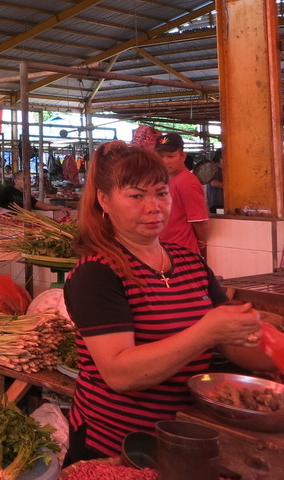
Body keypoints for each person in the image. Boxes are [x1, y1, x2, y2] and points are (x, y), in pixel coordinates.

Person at [62, 140, 272, 466]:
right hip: (120, 448)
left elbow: (233, 341)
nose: (154, 207)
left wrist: (272, 349)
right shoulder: (97, 272)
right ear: (104, 200)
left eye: (162, 193)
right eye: (136, 196)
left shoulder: (190, 262)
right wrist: (206, 332)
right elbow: (120, 373)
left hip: (190, 438)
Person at [154, 132, 208, 255]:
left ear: (183, 156)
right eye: (161, 156)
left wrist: (202, 243)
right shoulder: (164, 180)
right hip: (164, 248)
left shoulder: (187, 181)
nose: (165, 161)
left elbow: (198, 220)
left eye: (171, 156)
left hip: (182, 251)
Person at [0, 171, 69, 215]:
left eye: (29, 178)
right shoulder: (7, 190)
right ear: (16, 181)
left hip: (20, 222)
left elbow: (40, 205)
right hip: (7, 223)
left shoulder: (26, 195)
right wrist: (5, 213)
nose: (28, 181)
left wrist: (59, 207)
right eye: (24, 179)